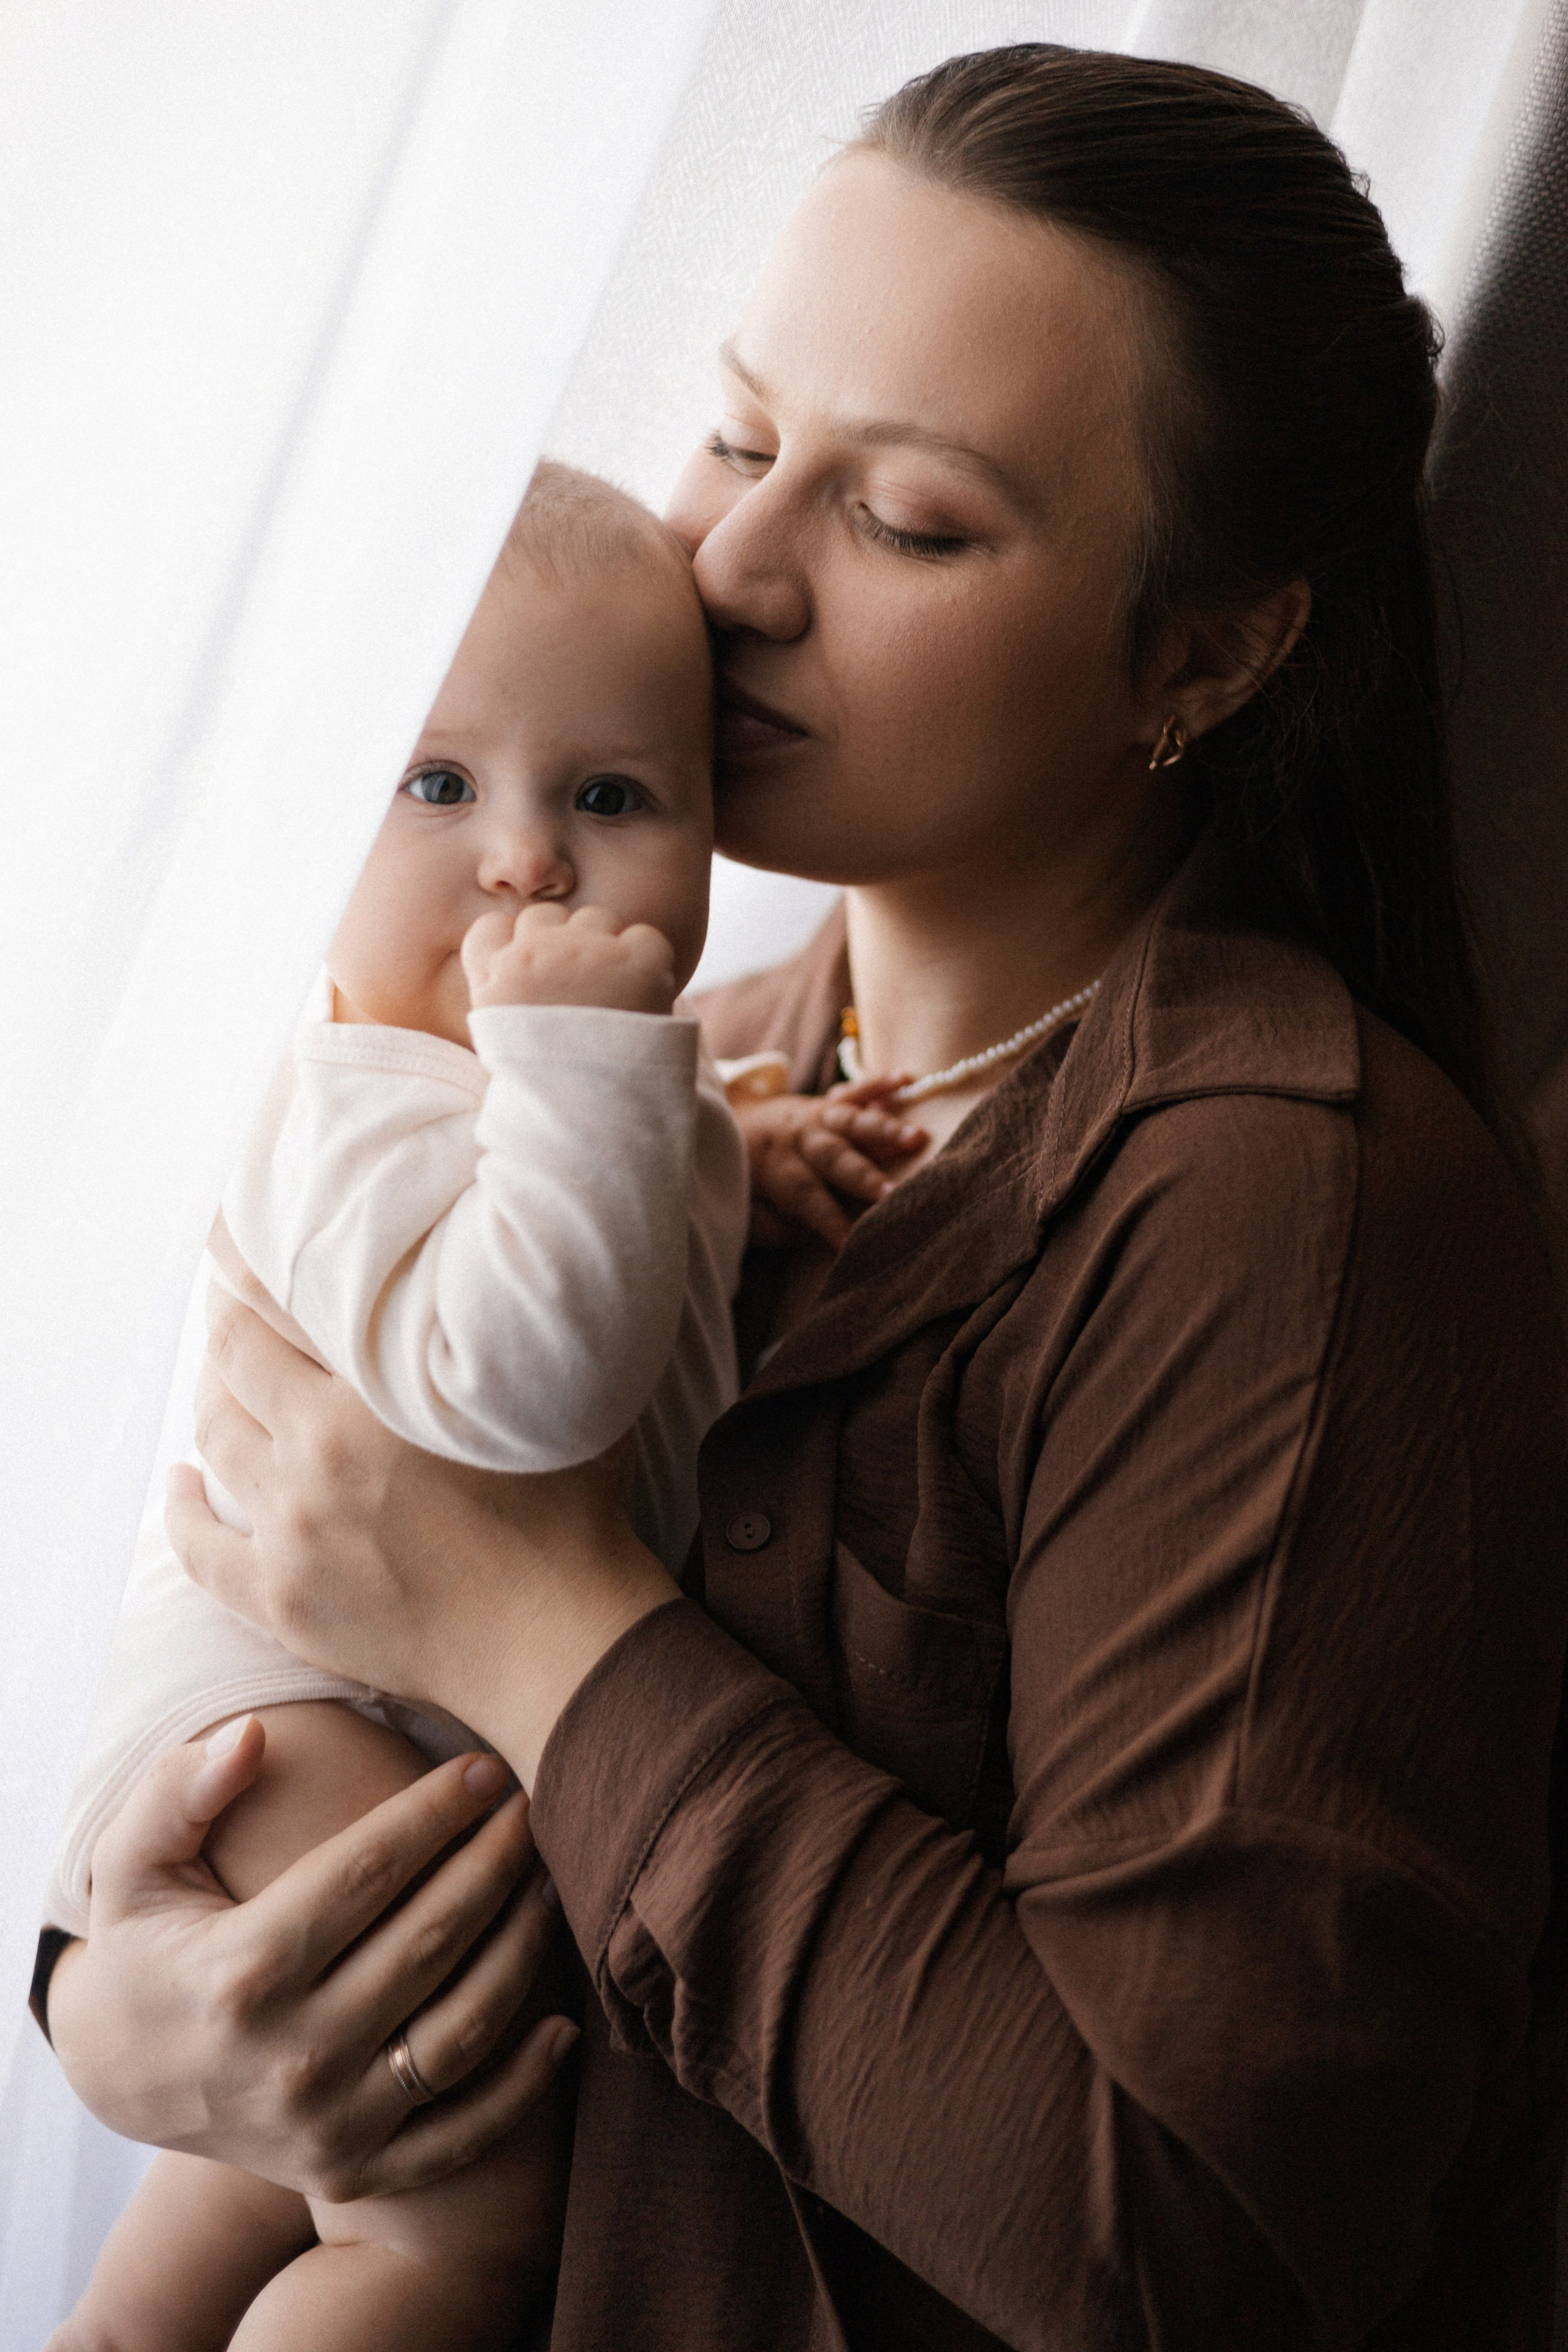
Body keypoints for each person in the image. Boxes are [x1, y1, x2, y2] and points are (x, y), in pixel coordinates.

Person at [37, 45, 1568, 2352]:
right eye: (743, 436)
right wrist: (127, 2005)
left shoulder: (1277, 1209)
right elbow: (248, 1598)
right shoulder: (676, 1065)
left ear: (1210, 649)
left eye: (909, 520)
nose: (731, 570)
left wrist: (531, 1626)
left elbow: (1183, 2252)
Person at [46, 462, 756, 2351]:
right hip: (288, 1721)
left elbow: (628, 1263)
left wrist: (731, 1143)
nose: (525, 861)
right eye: (435, 783)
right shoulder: (348, 1089)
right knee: (454, 2230)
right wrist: (595, 1076)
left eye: (612, 798)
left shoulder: (575, 1089)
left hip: (367, 1720)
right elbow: (517, 1382)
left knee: (257, 2183)